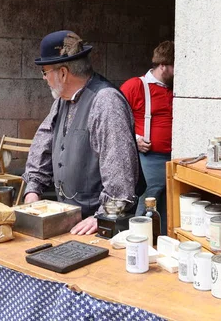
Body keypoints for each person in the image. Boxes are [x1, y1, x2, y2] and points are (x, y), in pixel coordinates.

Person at [22, 30, 141, 235]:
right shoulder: (61, 101)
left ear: (63, 73)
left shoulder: (106, 102)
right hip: (70, 222)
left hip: (101, 227)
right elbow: (44, 143)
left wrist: (102, 216)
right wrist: (33, 189)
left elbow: (120, 177)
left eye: (45, 72)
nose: (44, 78)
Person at [120, 41, 174, 234]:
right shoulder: (135, 86)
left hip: (175, 159)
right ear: (164, 65)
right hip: (149, 159)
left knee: (170, 209)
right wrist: (135, 139)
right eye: (175, 67)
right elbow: (116, 119)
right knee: (146, 205)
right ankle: (137, 244)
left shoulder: (174, 88)